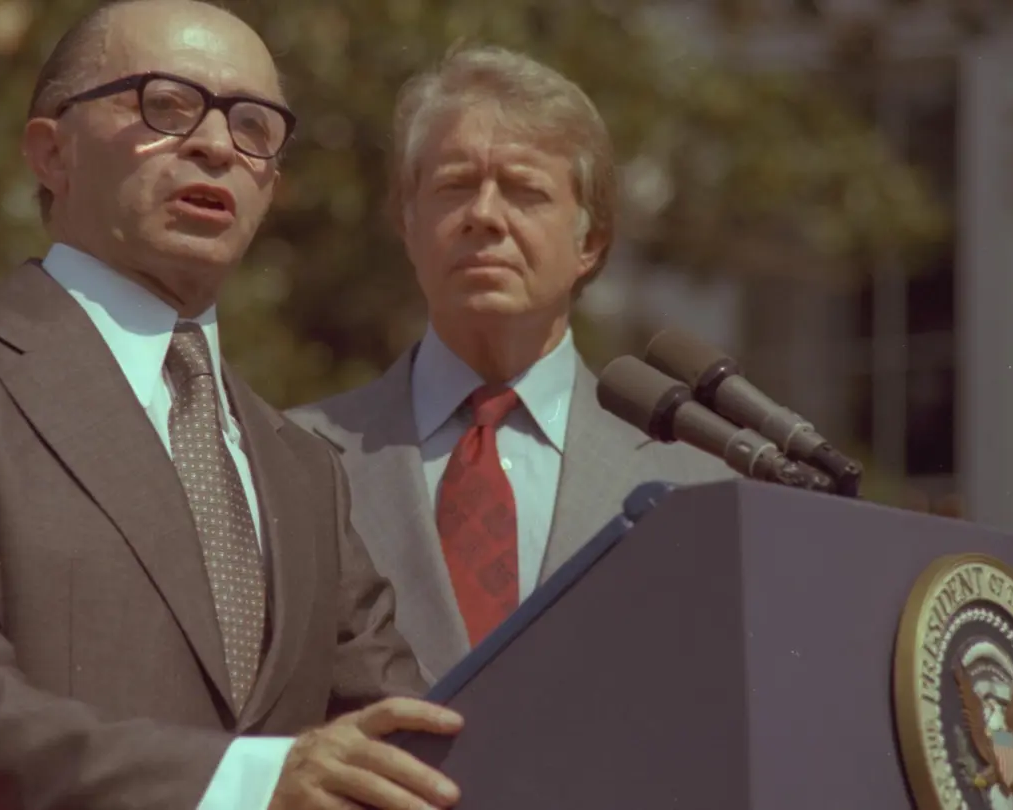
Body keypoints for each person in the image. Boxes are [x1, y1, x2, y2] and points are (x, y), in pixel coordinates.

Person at [0, 2, 463, 808]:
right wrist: (247, 784)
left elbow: (414, 744)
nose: (216, 145)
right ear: (51, 151)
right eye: (167, 104)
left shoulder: (303, 467)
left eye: (254, 126)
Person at [289, 45, 736, 683]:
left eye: (525, 191)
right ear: (406, 221)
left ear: (591, 241)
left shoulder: (697, 478)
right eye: (454, 186)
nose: (485, 216)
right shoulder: (293, 461)